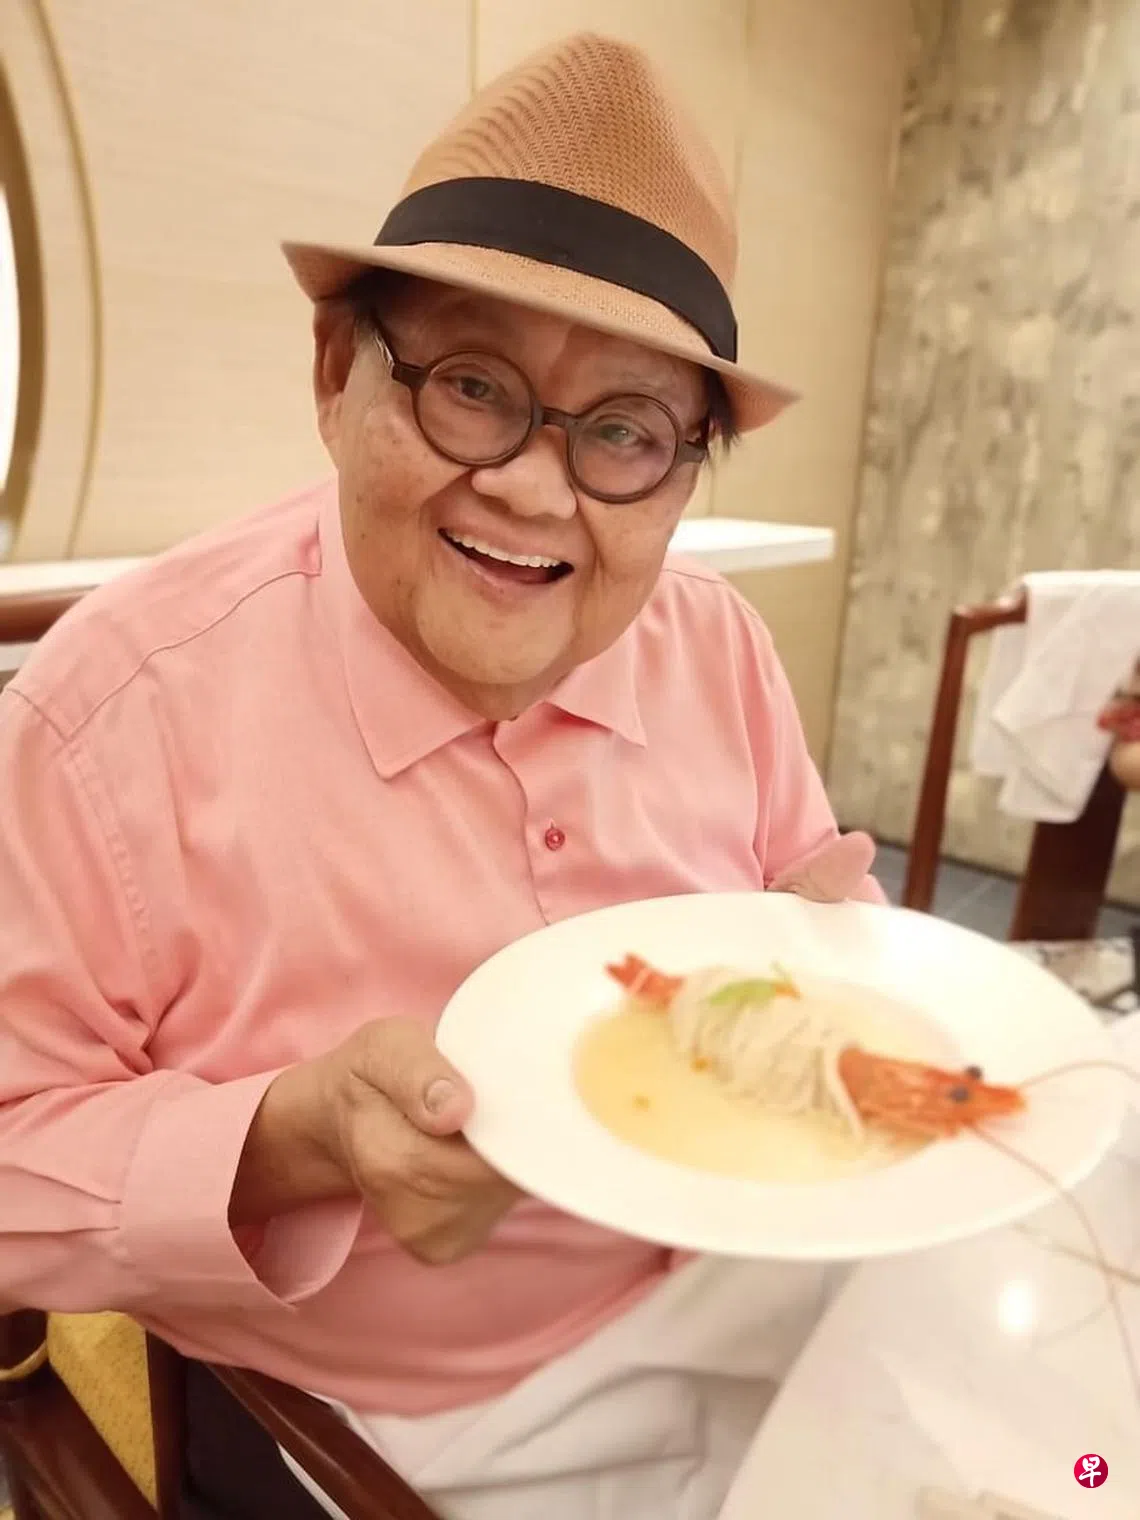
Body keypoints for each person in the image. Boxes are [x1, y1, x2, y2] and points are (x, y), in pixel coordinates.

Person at [0, 32, 884, 1520]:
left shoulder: (717, 644)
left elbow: (800, 913)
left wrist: (825, 959)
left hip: (750, 1276)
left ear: (684, 474)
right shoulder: (109, 720)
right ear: (336, 375)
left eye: (626, 432)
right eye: (473, 386)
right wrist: (291, 1142)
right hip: (401, 1426)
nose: (534, 488)